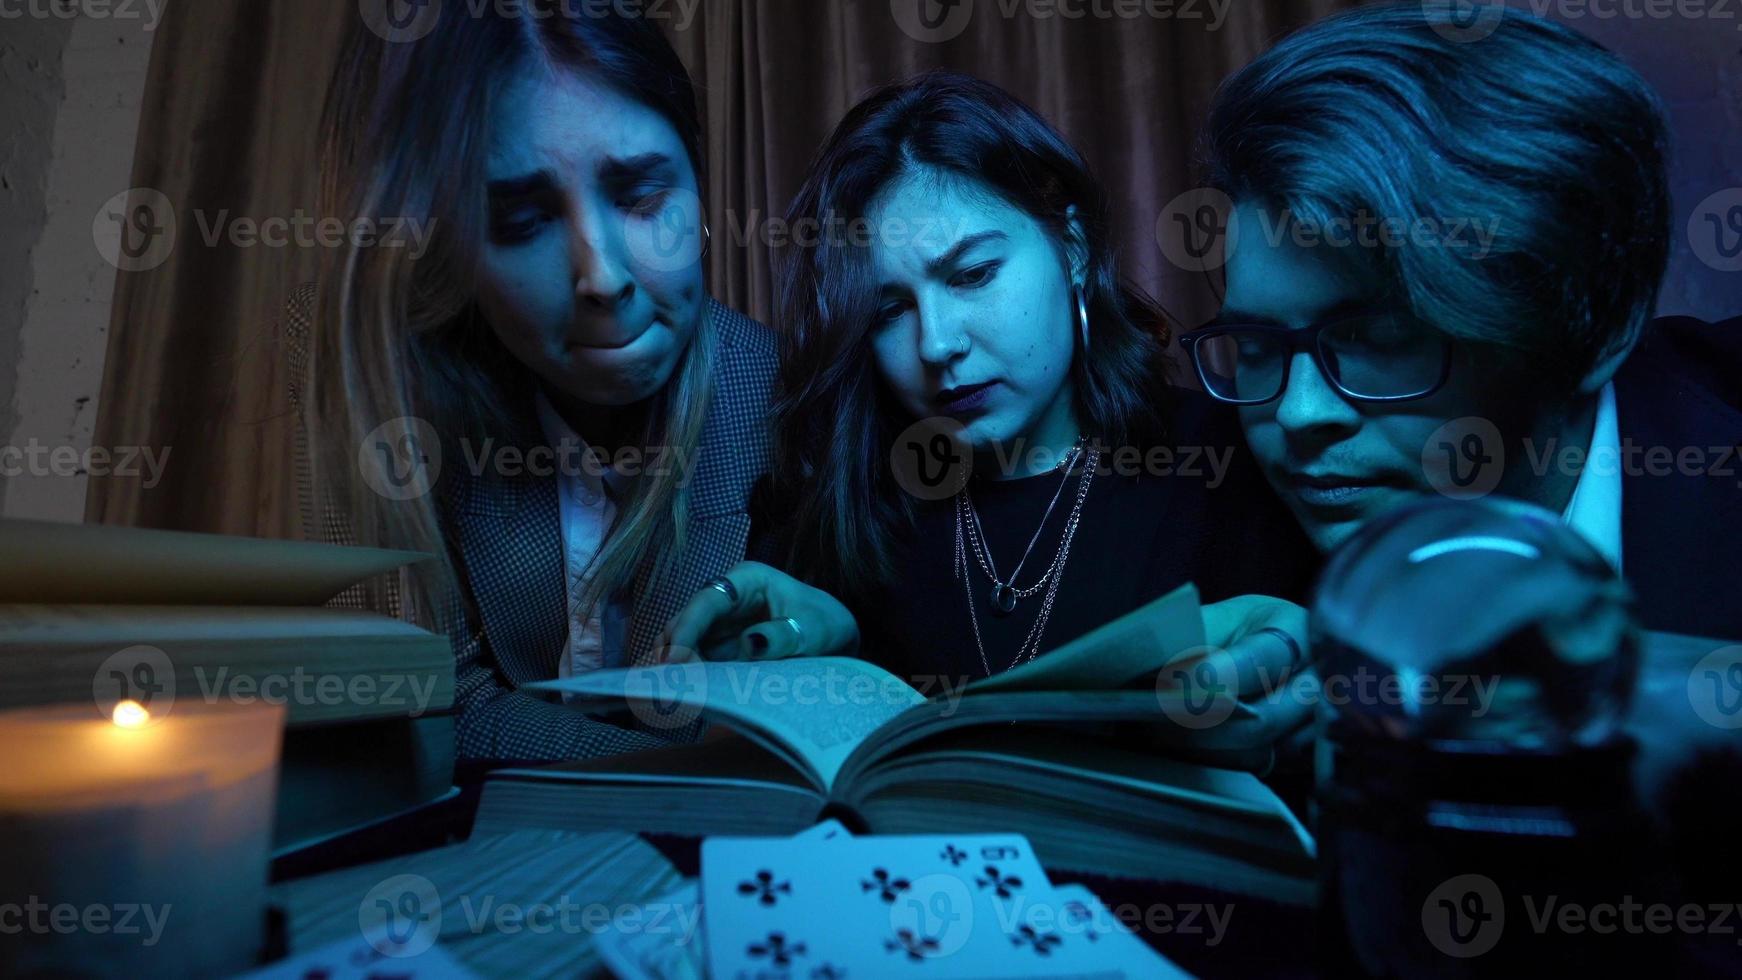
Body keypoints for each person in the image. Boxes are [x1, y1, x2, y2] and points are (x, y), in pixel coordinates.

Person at [663, 72, 1322, 766]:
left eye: (973, 275)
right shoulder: (834, 508)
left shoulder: (1228, 467)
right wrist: (817, 677)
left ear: (1071, 247)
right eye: (889, 311)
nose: (937, 343)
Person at [1184, 2, 1742, 640]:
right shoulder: (1189, 506)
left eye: (1383, 339)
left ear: (1598, 332)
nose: (1299, 414)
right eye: (1256, 347)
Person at [307, 5, 776, 761]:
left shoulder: (789, 397)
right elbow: (421, 702)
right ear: (456, 249)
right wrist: (668, 775)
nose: (603, 277)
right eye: (525, 220)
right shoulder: (395, 401)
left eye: (641, 196)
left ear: (698, 180)